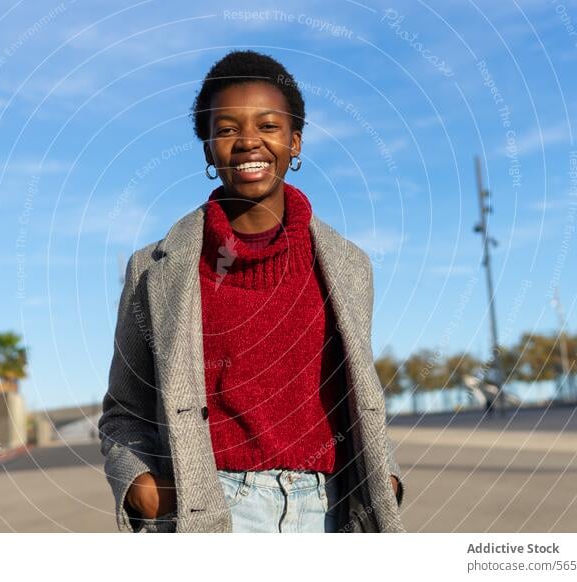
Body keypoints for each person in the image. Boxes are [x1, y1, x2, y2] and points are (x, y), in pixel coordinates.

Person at [98, 49, 405, 533]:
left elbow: (357, 392)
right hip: (211, 510)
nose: (248, 142)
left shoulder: (350, 266)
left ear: (294, 142)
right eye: (226, 130)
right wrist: (138, 482)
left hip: (330, 510)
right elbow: (123, 410)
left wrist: (384, 475)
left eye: (268, 126)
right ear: (207, 151)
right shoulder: (153, 271)